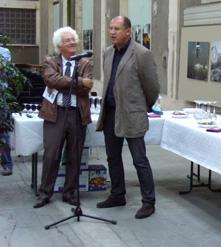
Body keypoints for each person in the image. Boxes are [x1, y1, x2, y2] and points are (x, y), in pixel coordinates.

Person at [96, 16, 159, 219]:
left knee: (139, 159)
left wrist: (141, 107)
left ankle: (148, 202)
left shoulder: (141, 54)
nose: (112, 32)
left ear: (128, 31)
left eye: (117, 28)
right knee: (112, 157)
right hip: (111, 113)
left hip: (132, 114)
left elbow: (152, 88)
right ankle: (117, 194)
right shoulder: (107, 52)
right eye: (110, 28)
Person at [33, 26, 93, 208]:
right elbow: (51, 80)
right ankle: (45, 193)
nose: (73, 42)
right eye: (68, 40)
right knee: (51, 155)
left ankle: (70, 192)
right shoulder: (50, 62)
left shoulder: (85, 63)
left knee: (75, 155)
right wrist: (79, 81)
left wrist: (68, 83)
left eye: (74, 39)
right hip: (55, 114)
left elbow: (87, 87)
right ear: (60, 45)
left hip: (77, 114)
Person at [0, 39, 13, 176]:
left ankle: (7, 164)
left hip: (1, 95)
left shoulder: (4, 52)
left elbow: (3, 67)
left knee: (2, 131)